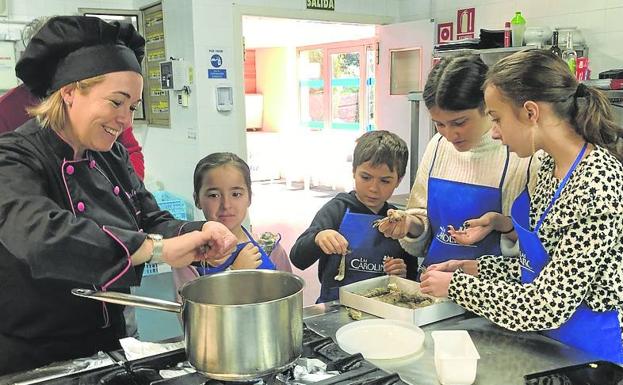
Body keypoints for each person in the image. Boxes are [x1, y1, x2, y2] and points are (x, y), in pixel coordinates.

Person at [0, 16, 237, 374]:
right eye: (116, 102)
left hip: (107, 340)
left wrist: (195, 233)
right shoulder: (14, 156)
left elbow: (149, 217)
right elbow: (43, 237)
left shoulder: (109, 154)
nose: (125, 120)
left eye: (132, 106)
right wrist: (154, 249)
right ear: (69, 92)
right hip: (34, 355)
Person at [420, 49, 623, 363]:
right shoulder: (550, 170)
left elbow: (547, 304)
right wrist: (474, 269)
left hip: (593, 355)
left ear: (531, 113)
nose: (495, 132)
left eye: (497, 118)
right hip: (550, 346)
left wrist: (458, 287)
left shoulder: (597, 183)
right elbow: (538, 269)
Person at [377, 55, 532, 276]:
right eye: (439, 124)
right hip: (434, 284)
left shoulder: (520, 153)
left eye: (459, 123)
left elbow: (535, 246)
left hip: (491, 294)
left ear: (486, 106)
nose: (449, 134)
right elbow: (422, 221)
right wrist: (409, 224)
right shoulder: (437, 146)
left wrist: (503, 226)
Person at [0, 17, 146, 180]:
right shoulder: (6, 110)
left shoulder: (113, 131)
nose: (126, 120)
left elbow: (131, 152)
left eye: (132, 107)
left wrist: (129, 193)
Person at [290, 130, 413, 303]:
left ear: (398, 181)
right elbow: (298, 258)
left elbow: (412, 274)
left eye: (385, 181)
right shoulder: (337, 209)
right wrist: (318, 238)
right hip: (335, 307)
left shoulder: (398, 222)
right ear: (354, 172)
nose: (374, 188)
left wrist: (402, 273)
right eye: (366, 177)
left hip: (382, 309)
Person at [173, 152, 292, 290]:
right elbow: (190, 309)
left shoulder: (270, 249)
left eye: (236, 194)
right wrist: (234, 274)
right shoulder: (189, 256)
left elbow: (289, 296)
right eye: (214, 195)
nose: (226, 205)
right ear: (197, 199)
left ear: (249, 198)